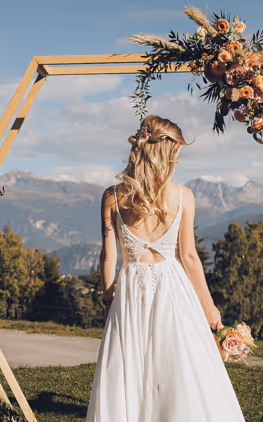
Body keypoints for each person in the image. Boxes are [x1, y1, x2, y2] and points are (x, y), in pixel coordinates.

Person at [86, 115, 244, 421]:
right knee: (179, 361)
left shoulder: (111, 196)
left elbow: (108, 258)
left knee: (129, 365)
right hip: (172, 285)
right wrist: (209, 308)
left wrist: (108, 301)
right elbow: (188, 256)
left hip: (130, 288)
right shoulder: (183, 197)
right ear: (167, 153)